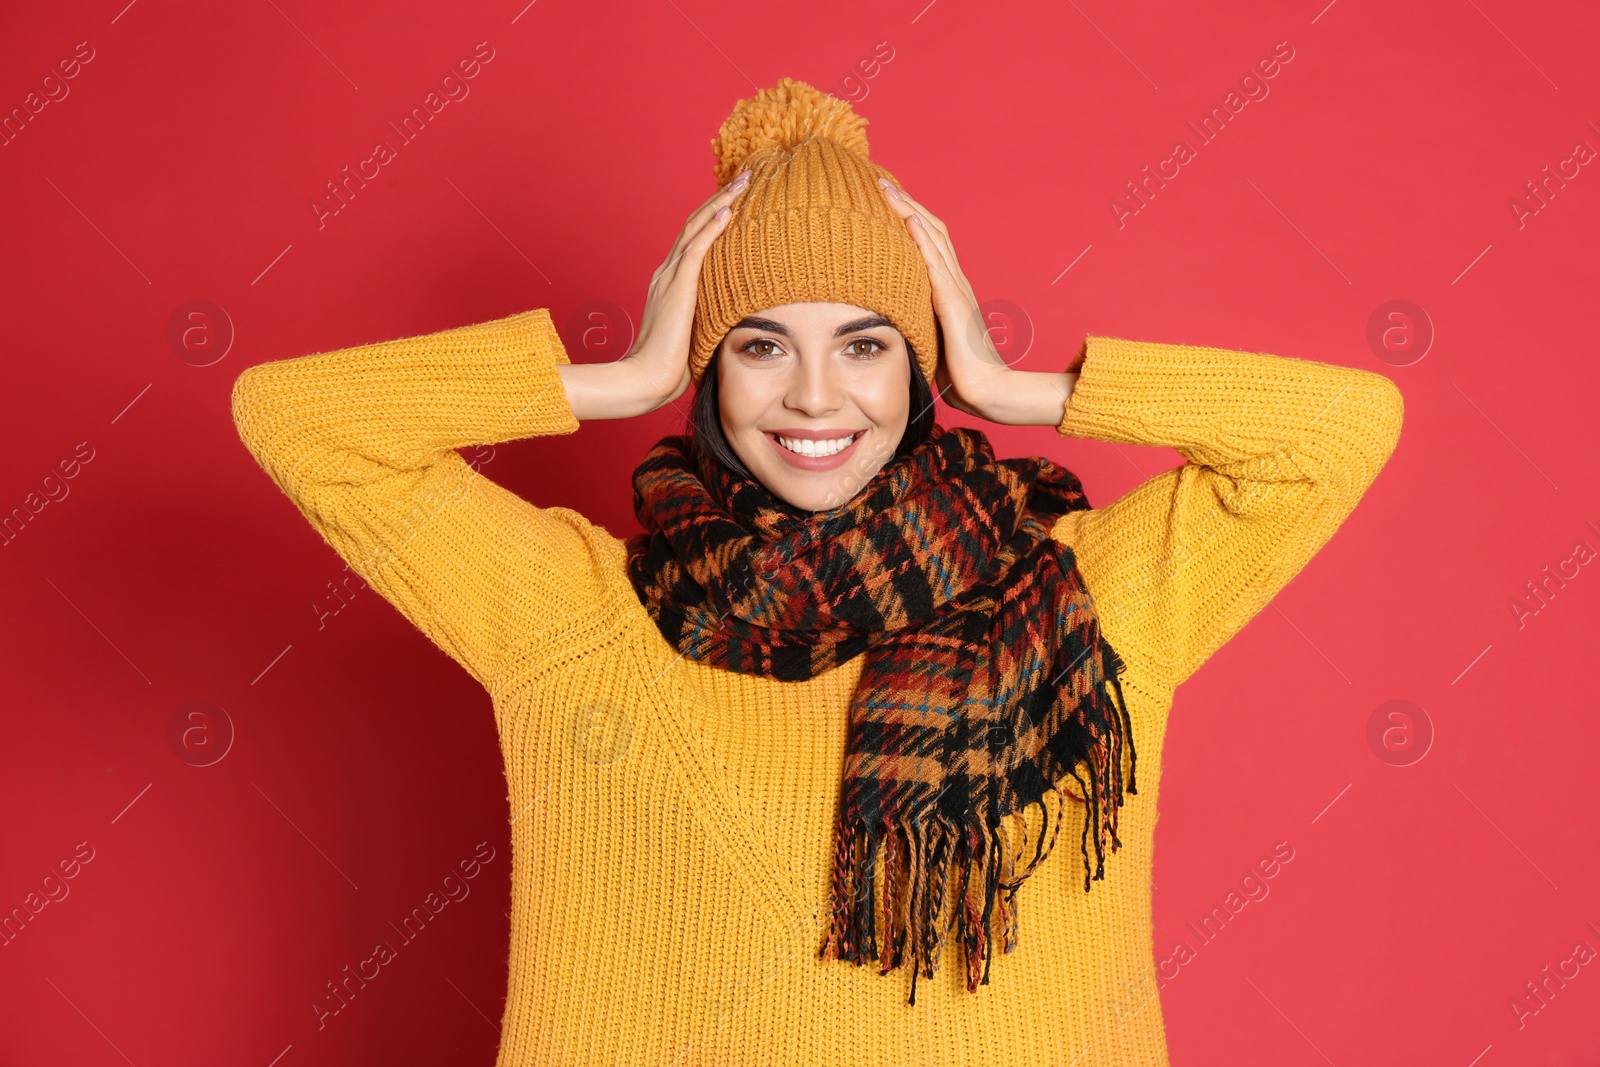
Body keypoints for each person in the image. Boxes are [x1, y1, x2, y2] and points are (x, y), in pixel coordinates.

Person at [232, 78, 1403, 1066]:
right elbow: (297, 421)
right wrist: (621, 374)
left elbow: (1339, 433)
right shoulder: (573, 607)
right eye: (757, 344)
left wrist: (1006, 383)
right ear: (709, 371)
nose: (811, 397)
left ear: (916, 362)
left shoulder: (1088, 592)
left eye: (863, 343)